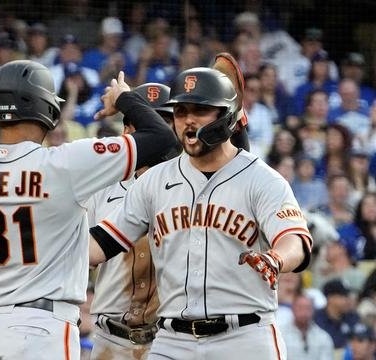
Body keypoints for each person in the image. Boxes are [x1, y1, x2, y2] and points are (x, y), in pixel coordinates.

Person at [0, 60, 178, 360]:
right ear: (48, 110)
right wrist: (124, 99)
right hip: (42, 329)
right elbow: (160, 138)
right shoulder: (65, 163)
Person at [88, 67, 312, 360]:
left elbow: (295, 238)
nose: (188, 120)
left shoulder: (261, 178)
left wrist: (277, 257)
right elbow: (103, 243)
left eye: (200, 110)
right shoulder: (154, 182)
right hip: (172, 341)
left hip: (245, 336)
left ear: (226, 116)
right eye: (180, 112)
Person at [88, 83, 176, 359]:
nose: (159, 132)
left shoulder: (190, 186)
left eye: (165, 122)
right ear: (127, 131)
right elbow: (81, 254)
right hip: (110, 338)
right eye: (147, 121)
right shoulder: (100, 186)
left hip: (169, 338)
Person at [279, 294, 334, 360]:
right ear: (293, 309)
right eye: (300, 308)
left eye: (308, 308)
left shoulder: (323, 337)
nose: (304, 312)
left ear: (313, 311)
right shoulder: (280, 335)